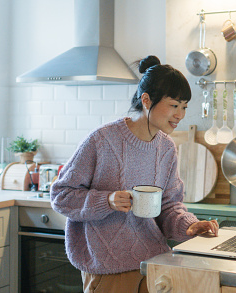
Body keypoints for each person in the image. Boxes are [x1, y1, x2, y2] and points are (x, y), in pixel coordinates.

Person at [50, 55, 219, 293]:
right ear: (147, 100)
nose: (180, 114)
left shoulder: (167, 148)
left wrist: (189, 226)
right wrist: (106, 200)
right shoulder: (102, 140)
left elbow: (170, 206)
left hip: (154, 263)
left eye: (184, 107)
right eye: (173, 105)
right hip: (107, 267)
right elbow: (60, 195)